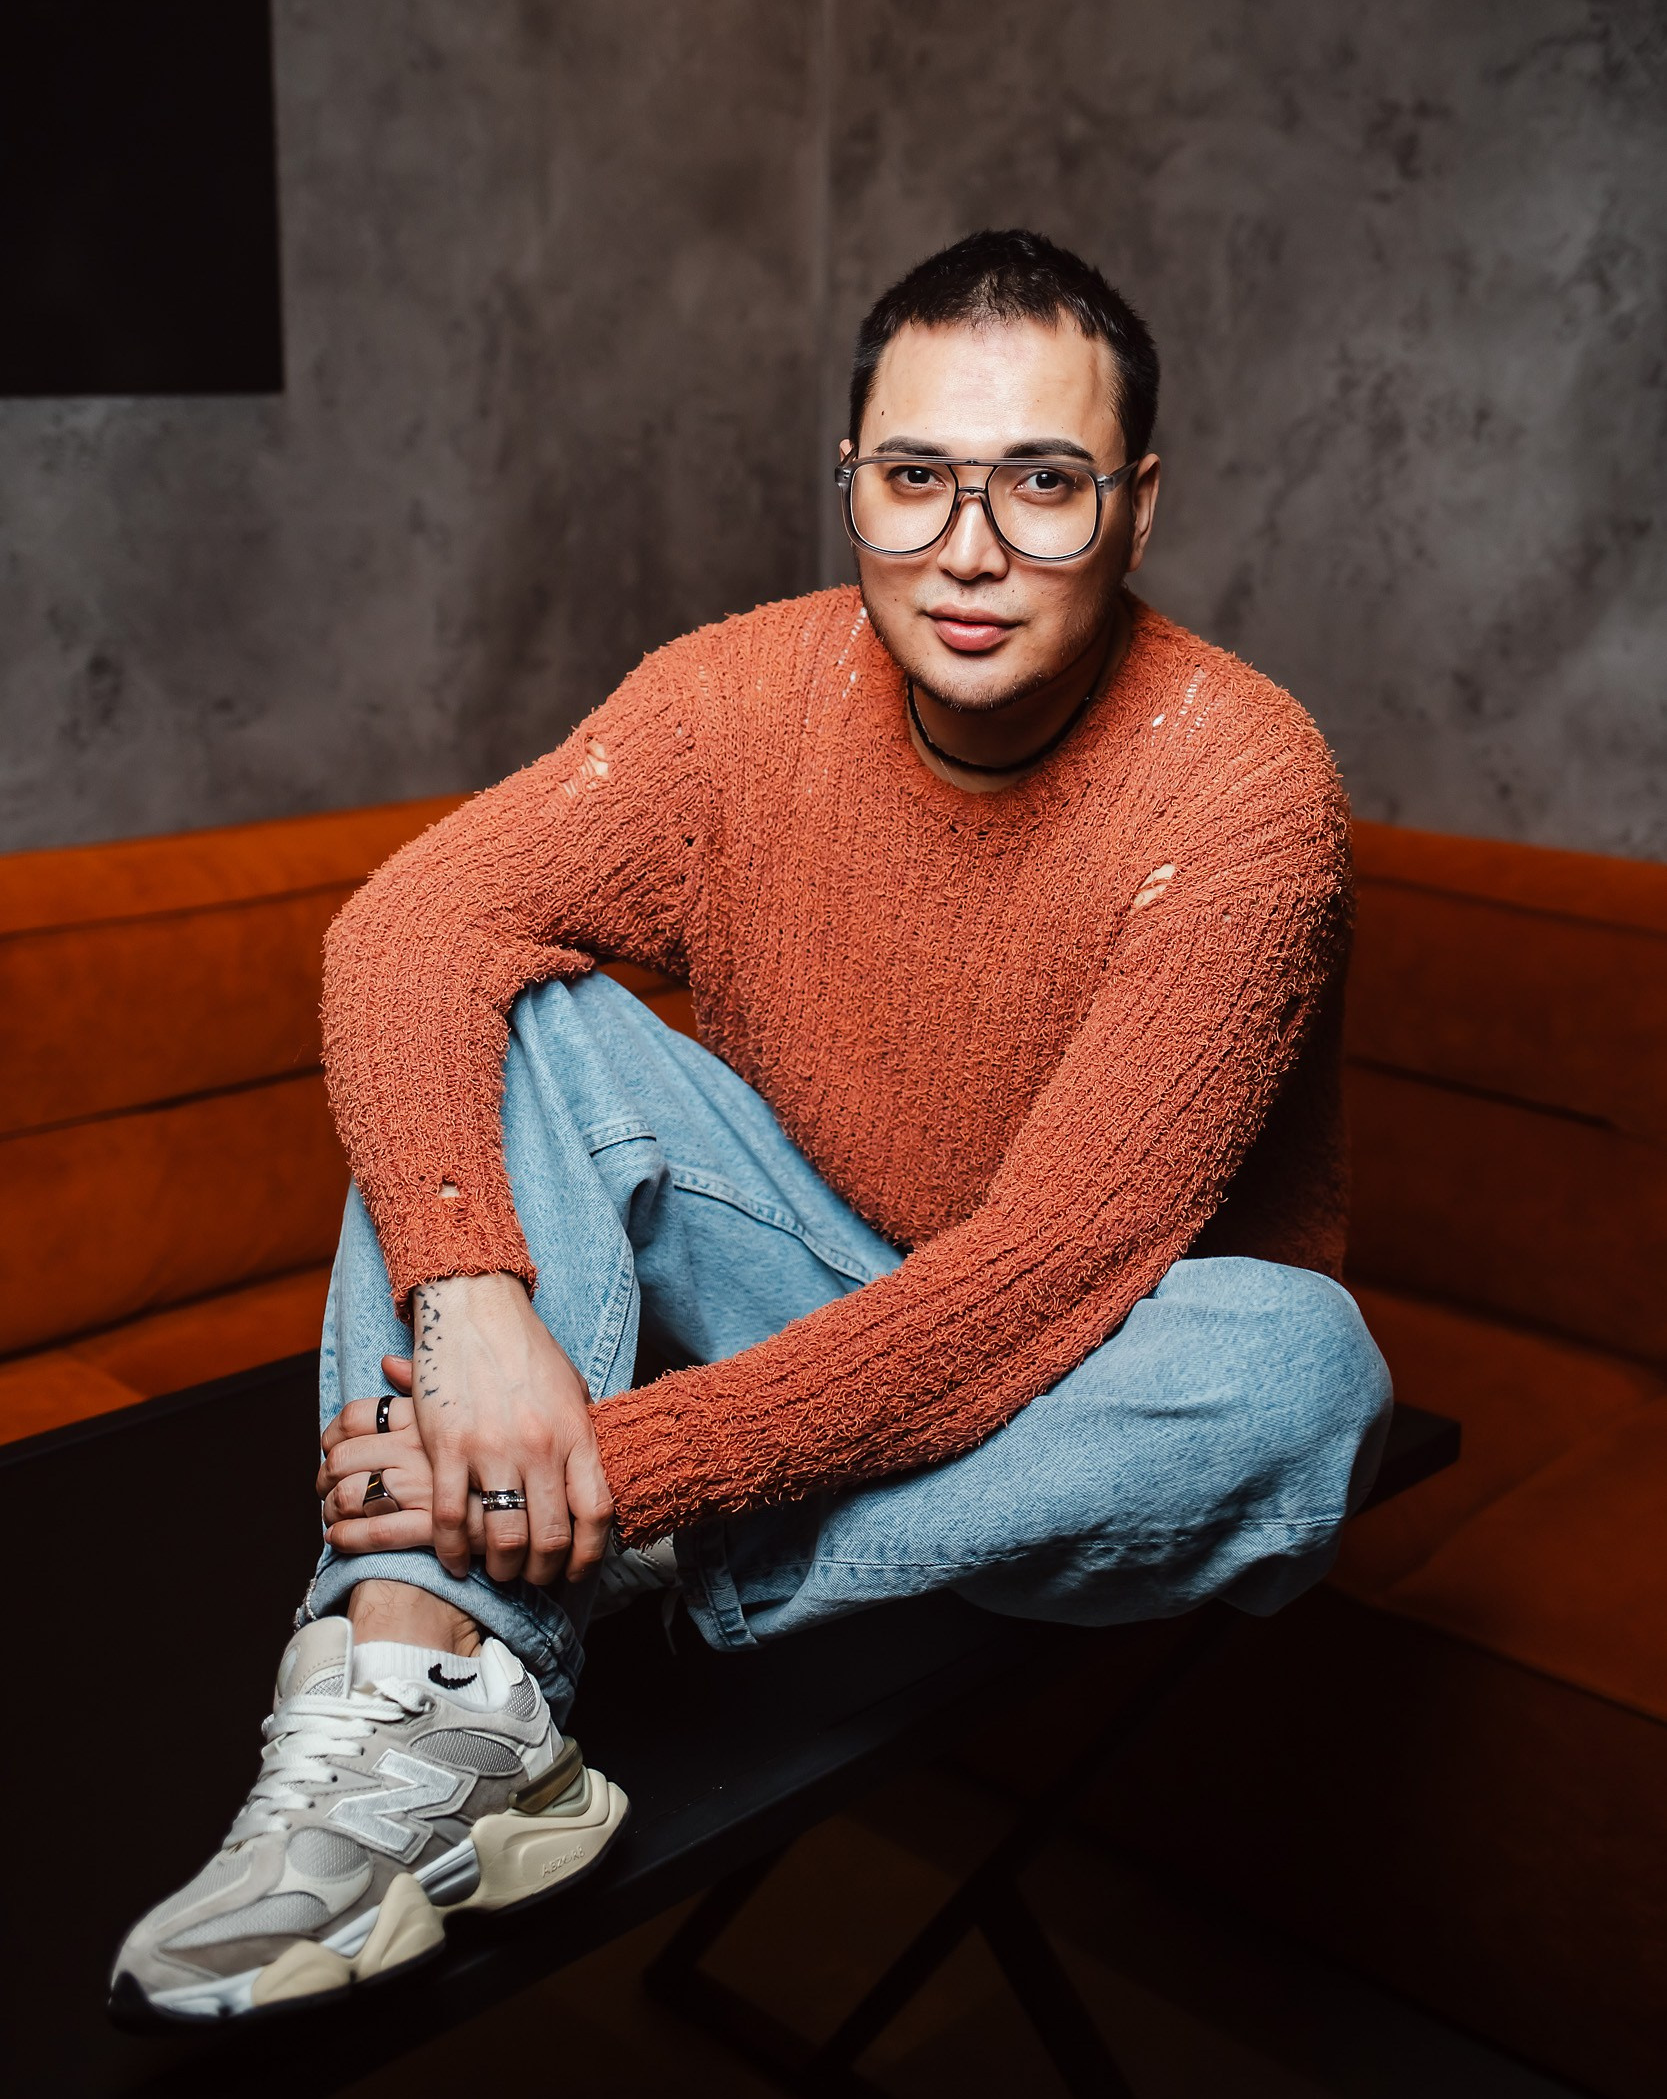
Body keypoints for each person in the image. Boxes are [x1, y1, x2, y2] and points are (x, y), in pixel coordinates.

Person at [112, 228, 1391, 2022]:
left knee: (1304, 1379)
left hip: (1088, 1370)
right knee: (519, 1010)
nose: (969, 548)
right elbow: (406, 929)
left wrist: (616, 1478)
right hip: (806, 1286)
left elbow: (1044, 1280)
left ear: (1138, 506)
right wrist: (472, 1305)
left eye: (1043, 483)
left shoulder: (1245, 784)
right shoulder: (734, 701)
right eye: (917, 477)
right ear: (851, 481)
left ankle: (587, 1559)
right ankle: (421, 1700)